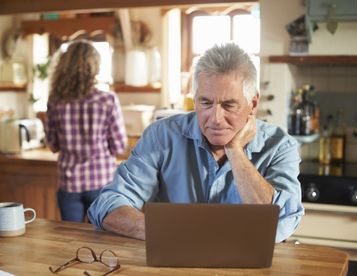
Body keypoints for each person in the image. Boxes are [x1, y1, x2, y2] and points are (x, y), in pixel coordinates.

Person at [89, 43, 304, 242]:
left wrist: (235, 151)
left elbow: (279, 221)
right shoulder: (161, 136)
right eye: (205, 102)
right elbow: (108, 204)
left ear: (253, 103)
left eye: (229, 105)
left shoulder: (280, 147)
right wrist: (166, 233)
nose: (216, 118)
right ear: (195, 98)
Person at [45, 40, 128, 222]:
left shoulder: (55, 101)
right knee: (99, 239)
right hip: (101, 182)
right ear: (95, 67)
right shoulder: (107, 100)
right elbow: (119, 145)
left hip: (70, 182)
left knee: (71, 239)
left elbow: (52, 145)